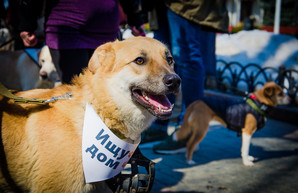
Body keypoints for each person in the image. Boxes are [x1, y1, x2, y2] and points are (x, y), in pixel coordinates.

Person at [149, 0, 229, 152]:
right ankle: (158, 126)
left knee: (186, 55)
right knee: (164, 56)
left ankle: (189, 130)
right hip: (160, 5)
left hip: (186, 4)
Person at [19, 0, 146, 84]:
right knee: (78, 95)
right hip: (68, 31)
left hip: (107, 33)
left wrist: (135, 18)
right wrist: (27, 23)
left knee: (109, 91)